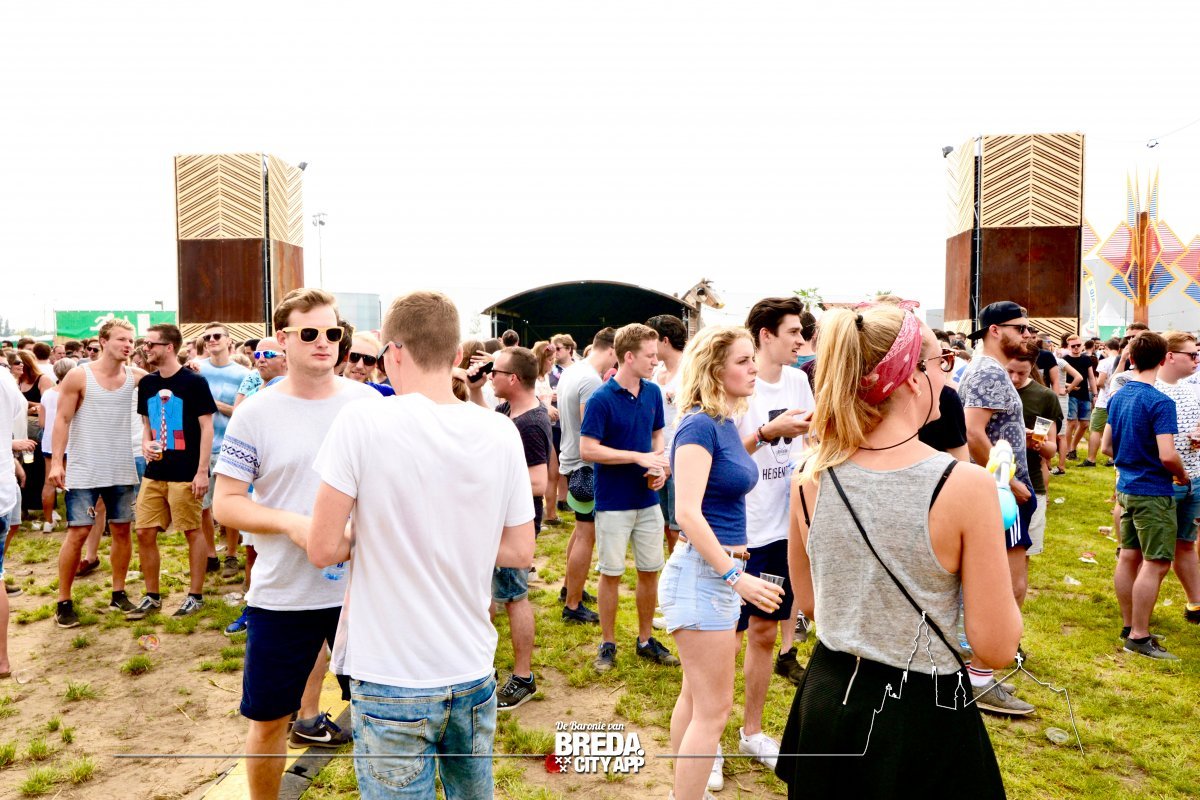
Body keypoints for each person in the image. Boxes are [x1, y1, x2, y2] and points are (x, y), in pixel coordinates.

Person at [775, 304, 1019, 798]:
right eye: (941, 361)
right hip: (918, 708)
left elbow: (813, 603)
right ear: (912, 377)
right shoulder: (964, 485)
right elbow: (995, 647)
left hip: (828, 693)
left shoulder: (809, 474)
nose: (947, 374)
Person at [308, 290, 535, 800]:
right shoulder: (500, 431)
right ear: (455, 355)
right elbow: (521, 551)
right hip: (470, 668)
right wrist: (457, 538)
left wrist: (377, 533)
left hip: (390, 673)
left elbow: (321, 547)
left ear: (393, 353)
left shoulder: (362, 421)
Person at [212, 289, 370, 800]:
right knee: (267, 721)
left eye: (332, 333)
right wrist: (292, 525)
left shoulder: (368, 404)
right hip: (283, 593)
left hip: (363, 591)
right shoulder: (256, 413)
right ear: (283, 338)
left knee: (384, 717)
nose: (324, 342)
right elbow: (226, 504)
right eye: (309, 333)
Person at [661, 326, 784, 800]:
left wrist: (766, 436)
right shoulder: (699, 424)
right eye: (742, 361)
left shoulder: (722, 421)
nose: (754, 368)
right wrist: (736, 578)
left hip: (711, 575)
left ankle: (682, 792)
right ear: (714, 370)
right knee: (713, 711)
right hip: (704, 575)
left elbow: (725, 470)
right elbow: (687, 513)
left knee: (696, 699)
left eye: (752, 358)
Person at [579, 323, 677, 672]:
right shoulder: (601, 399)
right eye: (650, 356)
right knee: (611, 573)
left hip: (647, 500)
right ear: (629, 357)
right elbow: (588, 449)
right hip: (613, 502)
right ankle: (607, 643)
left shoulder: (652, 392)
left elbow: (657, 435)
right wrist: (637, 457)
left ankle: (646, 639)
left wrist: (658, 466)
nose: (656, 361)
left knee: (650, 570)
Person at [956, 301, 1037, 714]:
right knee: (1008, 587)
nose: (1027, 334)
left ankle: (975, 670)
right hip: (1001, 494)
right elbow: (973, 432)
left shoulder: (986, 368)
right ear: (994, 330)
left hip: (997, 490)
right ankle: (980, 678)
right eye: (1020, 328)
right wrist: (1010, 482)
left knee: (996, 585)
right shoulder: (988, 370)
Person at [48, 319, 144, 627]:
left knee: (121, 531)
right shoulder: (80, 375)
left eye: (131, 340)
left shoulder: (136, 377)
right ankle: (64, 601)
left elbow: (170, 381)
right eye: (121, 339)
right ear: (103, 341)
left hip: (121, 467)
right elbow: (62, 420)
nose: (128, 345)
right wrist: (57, 463)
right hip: (84, 468)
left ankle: (118, 593)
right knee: (78, 532)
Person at [1103, 331, 1188, 660]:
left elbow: (1107, 446)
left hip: (1126, 487)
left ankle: (1130, 626)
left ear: (1131, 358)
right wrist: (1182, 474)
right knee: (1156, 563)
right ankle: (1139, 636)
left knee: (1128, 556)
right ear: (1165, 359)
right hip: (1152, 491)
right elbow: (1167, 454)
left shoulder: (1119, 395)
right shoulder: (1160, 402)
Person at [125, 324, 216, 620]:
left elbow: (207, 427)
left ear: (169, 347)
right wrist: (146, 444)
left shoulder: (194, 382)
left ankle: (195, 596)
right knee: (144, 531)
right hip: (155, 471)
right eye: (145, 343)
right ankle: (152, 596)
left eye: (151, 344)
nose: (145, 348)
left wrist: (202, 471)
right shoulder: (148, 383)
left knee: (192, 530)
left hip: (186, 472)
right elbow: (147, 425)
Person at [477, 345, 551, 709]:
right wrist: (473, 388)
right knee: (490, 596)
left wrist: (491, 481)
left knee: (514, 598)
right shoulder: (507, 410)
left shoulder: (531, 422)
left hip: (514, 524)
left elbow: (539, 483)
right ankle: (483, 667)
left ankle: (523, 678)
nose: (490, 376)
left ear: (514, 379)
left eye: (495, 371)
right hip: (497, 520)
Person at [557, 329, 616, 624]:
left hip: (571, 461)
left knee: (579, 532)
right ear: (612, 350)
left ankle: (570, 587)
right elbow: (590, 428)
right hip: (585, 466)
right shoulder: (591, 380)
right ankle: (573, 605)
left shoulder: (572, 371)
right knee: (586, 535)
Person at [196, 322, 250, 580]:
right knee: (203, 507)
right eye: (207, 337)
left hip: (229, 447)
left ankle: (231, 554)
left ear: (229, 341)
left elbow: (243, 413)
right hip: (200, 448)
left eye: (217, 336)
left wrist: (212, 403)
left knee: (229, 504)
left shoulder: (243, 374)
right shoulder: (196, 370)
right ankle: (210, 555)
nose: (211, 340)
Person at [1153, 331, 1200, 625]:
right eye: (1192, 355)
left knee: (1186, 543)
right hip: (1162, 482)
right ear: (1170, 356)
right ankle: (1138, 618)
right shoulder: (1151, 389)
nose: (1197, 360)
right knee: (1153, 554)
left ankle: (1196, 605)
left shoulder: (1193, 390)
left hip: (1195, 478)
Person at [1006, 343, 1062, 587]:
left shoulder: (1043, 397)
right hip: (992, 483)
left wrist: (1035, 442)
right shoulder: (991, 390)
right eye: (1009, 371)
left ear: (1032, 369)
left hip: (1030, 486)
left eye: (1022, 373)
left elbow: (1051, 449)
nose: (1014, 378)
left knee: (1020, 559)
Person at [646, 314, 688, 555]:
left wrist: (672, 461)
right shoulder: (656, 371)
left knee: (677, 526)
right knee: (661, 521)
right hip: (657, 456)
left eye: (652, 339)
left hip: (680, 458)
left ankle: (677, 569)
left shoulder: (688, 371)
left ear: (664, 340)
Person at [1062, 335, 1097, 459]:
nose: (1076, 348)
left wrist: (1095, 394)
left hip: (1084, 395)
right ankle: (1068, 451)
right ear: (1068, 347)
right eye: (1073, 346)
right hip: (1071, 394)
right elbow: (1060, 378)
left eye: (1078, 345)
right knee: (1071, 422)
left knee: (1085, 424)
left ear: (1082, 345)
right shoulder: (1065, 359)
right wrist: (1069, 387)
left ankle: (1072, 447)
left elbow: (1091, 378)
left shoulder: (1086, 359)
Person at [342, 332, 394, 396]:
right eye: (354, 356)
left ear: (376, 365)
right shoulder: (329, 390)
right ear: (344, 356)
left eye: (369, 360)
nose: (359, 366)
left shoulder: (385, 393)